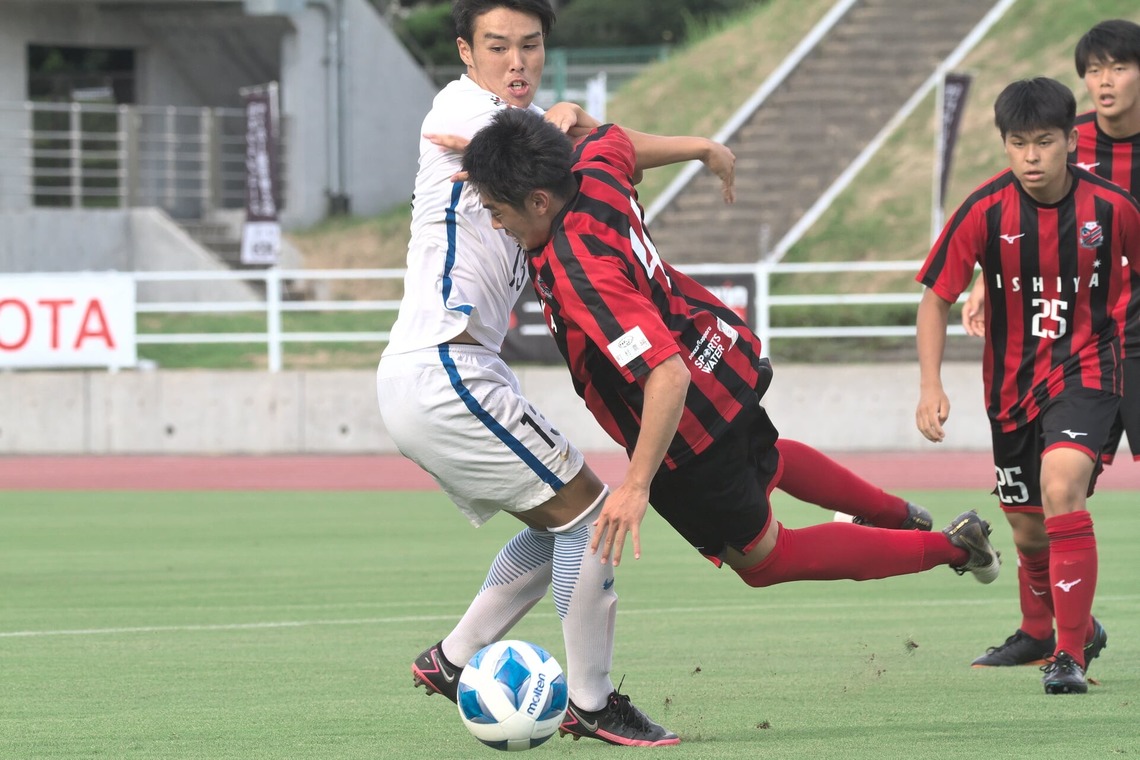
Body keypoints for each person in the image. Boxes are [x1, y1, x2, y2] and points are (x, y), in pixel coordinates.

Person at [381, 1, 943, 746]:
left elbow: (597, 140)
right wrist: (612, 129)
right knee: (601, 516)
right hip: (450, 366)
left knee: (570, 515)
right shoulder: (470, 117)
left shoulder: (554, 179)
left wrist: (689, 144)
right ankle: (589, 702)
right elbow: (586, 142)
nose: (517, 62)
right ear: (464, 52)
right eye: (497, 47)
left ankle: (455, 659)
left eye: (531, 45)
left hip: (470, 371)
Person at [458, 107, 1002, 667]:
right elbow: (611, 139)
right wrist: (701, 146)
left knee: (767, 559)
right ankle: (899, 514)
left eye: (498, 211)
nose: (497, 225)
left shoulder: (581, 270)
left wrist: (637, 485)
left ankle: (954, 548)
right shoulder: (591, 168)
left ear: (539, 201)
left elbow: (666, 375)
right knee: (770, 458)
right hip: (719, 361)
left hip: (686, 429)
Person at [916, 76, 1140, 693]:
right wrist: (930, 384)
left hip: (1090, 370)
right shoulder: (984, 209)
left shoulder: (1113, 207)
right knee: (1027, 528)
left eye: (1044, 142)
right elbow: (935, 298)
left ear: (1072, 140)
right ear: (1005, 145)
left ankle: (1069, 656)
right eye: (1019, 144)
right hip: (1011, 385)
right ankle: (1052, 628)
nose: (1032, 157)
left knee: (1061, 485)